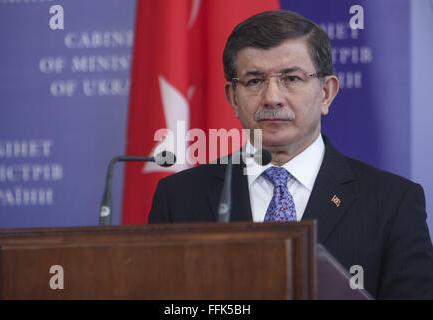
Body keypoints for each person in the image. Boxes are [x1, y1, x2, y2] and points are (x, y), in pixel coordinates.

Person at [148, 10, 433, 299]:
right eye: (255, 81)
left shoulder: (392, 202)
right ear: (234, 98)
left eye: (292, 78)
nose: (272, 97)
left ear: (326, 93)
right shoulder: (179, 198)